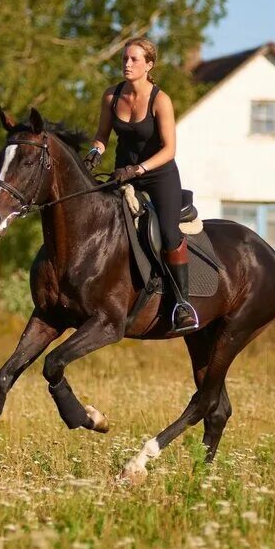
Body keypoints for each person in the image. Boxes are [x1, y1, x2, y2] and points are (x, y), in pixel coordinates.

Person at [85, 37, 198, 333]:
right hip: (123, 174)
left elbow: (169, 150)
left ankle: (183, 304)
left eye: (134, 59)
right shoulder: (111, 96)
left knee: (168, 233)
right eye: (124, 59)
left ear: (149, 65)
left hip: (159, 175)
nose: (127, 64)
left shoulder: (161, 100)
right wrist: (95, 152)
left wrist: (139, 168)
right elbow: (101, 136)